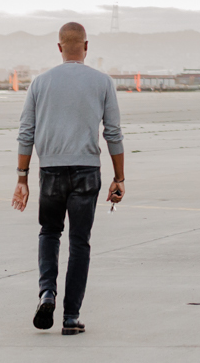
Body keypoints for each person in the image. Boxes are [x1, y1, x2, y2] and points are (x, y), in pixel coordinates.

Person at [13, 21, 126, 333]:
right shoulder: (103, 82)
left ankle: (47, 291)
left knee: (49, 233)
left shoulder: (40, 83)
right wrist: (120, 178)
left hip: (50, 171)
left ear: (59, 47)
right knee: (79, 242)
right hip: (87, 172)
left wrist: (21, 178)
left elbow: (26, 133)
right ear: (86, 47)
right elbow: (113, 134)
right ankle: (71, 317)